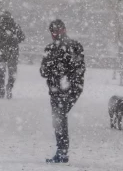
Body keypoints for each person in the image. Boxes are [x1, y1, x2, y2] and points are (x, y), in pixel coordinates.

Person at [40, 19, 85, 163]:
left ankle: (62, 151)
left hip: (66, 88)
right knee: (59, 118)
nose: (56, 34)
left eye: (58, 30)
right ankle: (62, 151)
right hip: (60, 89)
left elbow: (78, 69)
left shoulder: (71, 47)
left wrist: (64, 77)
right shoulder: (55, 48)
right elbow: (43, 71)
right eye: (54, 31)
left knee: (59, 117)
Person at [0, 11, 25, 99]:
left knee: (1, 72)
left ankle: (1, 92)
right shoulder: (15, 26)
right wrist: (14, 40)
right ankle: (9, 86)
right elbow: (22, 37)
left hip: (1, 52)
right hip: (13, 52)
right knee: (12, 72)